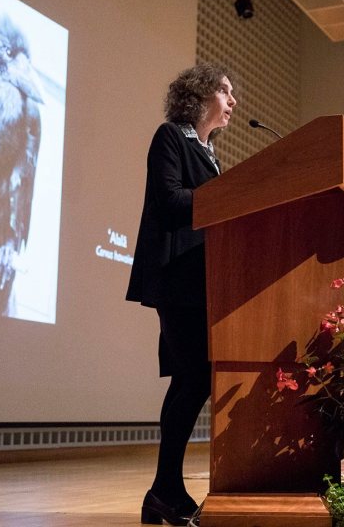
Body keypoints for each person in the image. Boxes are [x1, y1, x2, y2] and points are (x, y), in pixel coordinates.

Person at [126, 64, 236, 526]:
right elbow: (170, 200)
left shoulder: (209, 153)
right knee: (192, 379)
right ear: (201, 94)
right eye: (226, 92)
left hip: (203, 282)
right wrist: (230, 195)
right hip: (177, 280)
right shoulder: (171, 136)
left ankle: (162, 492)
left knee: (189, 382)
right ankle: (165, 489)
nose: (233, 101)